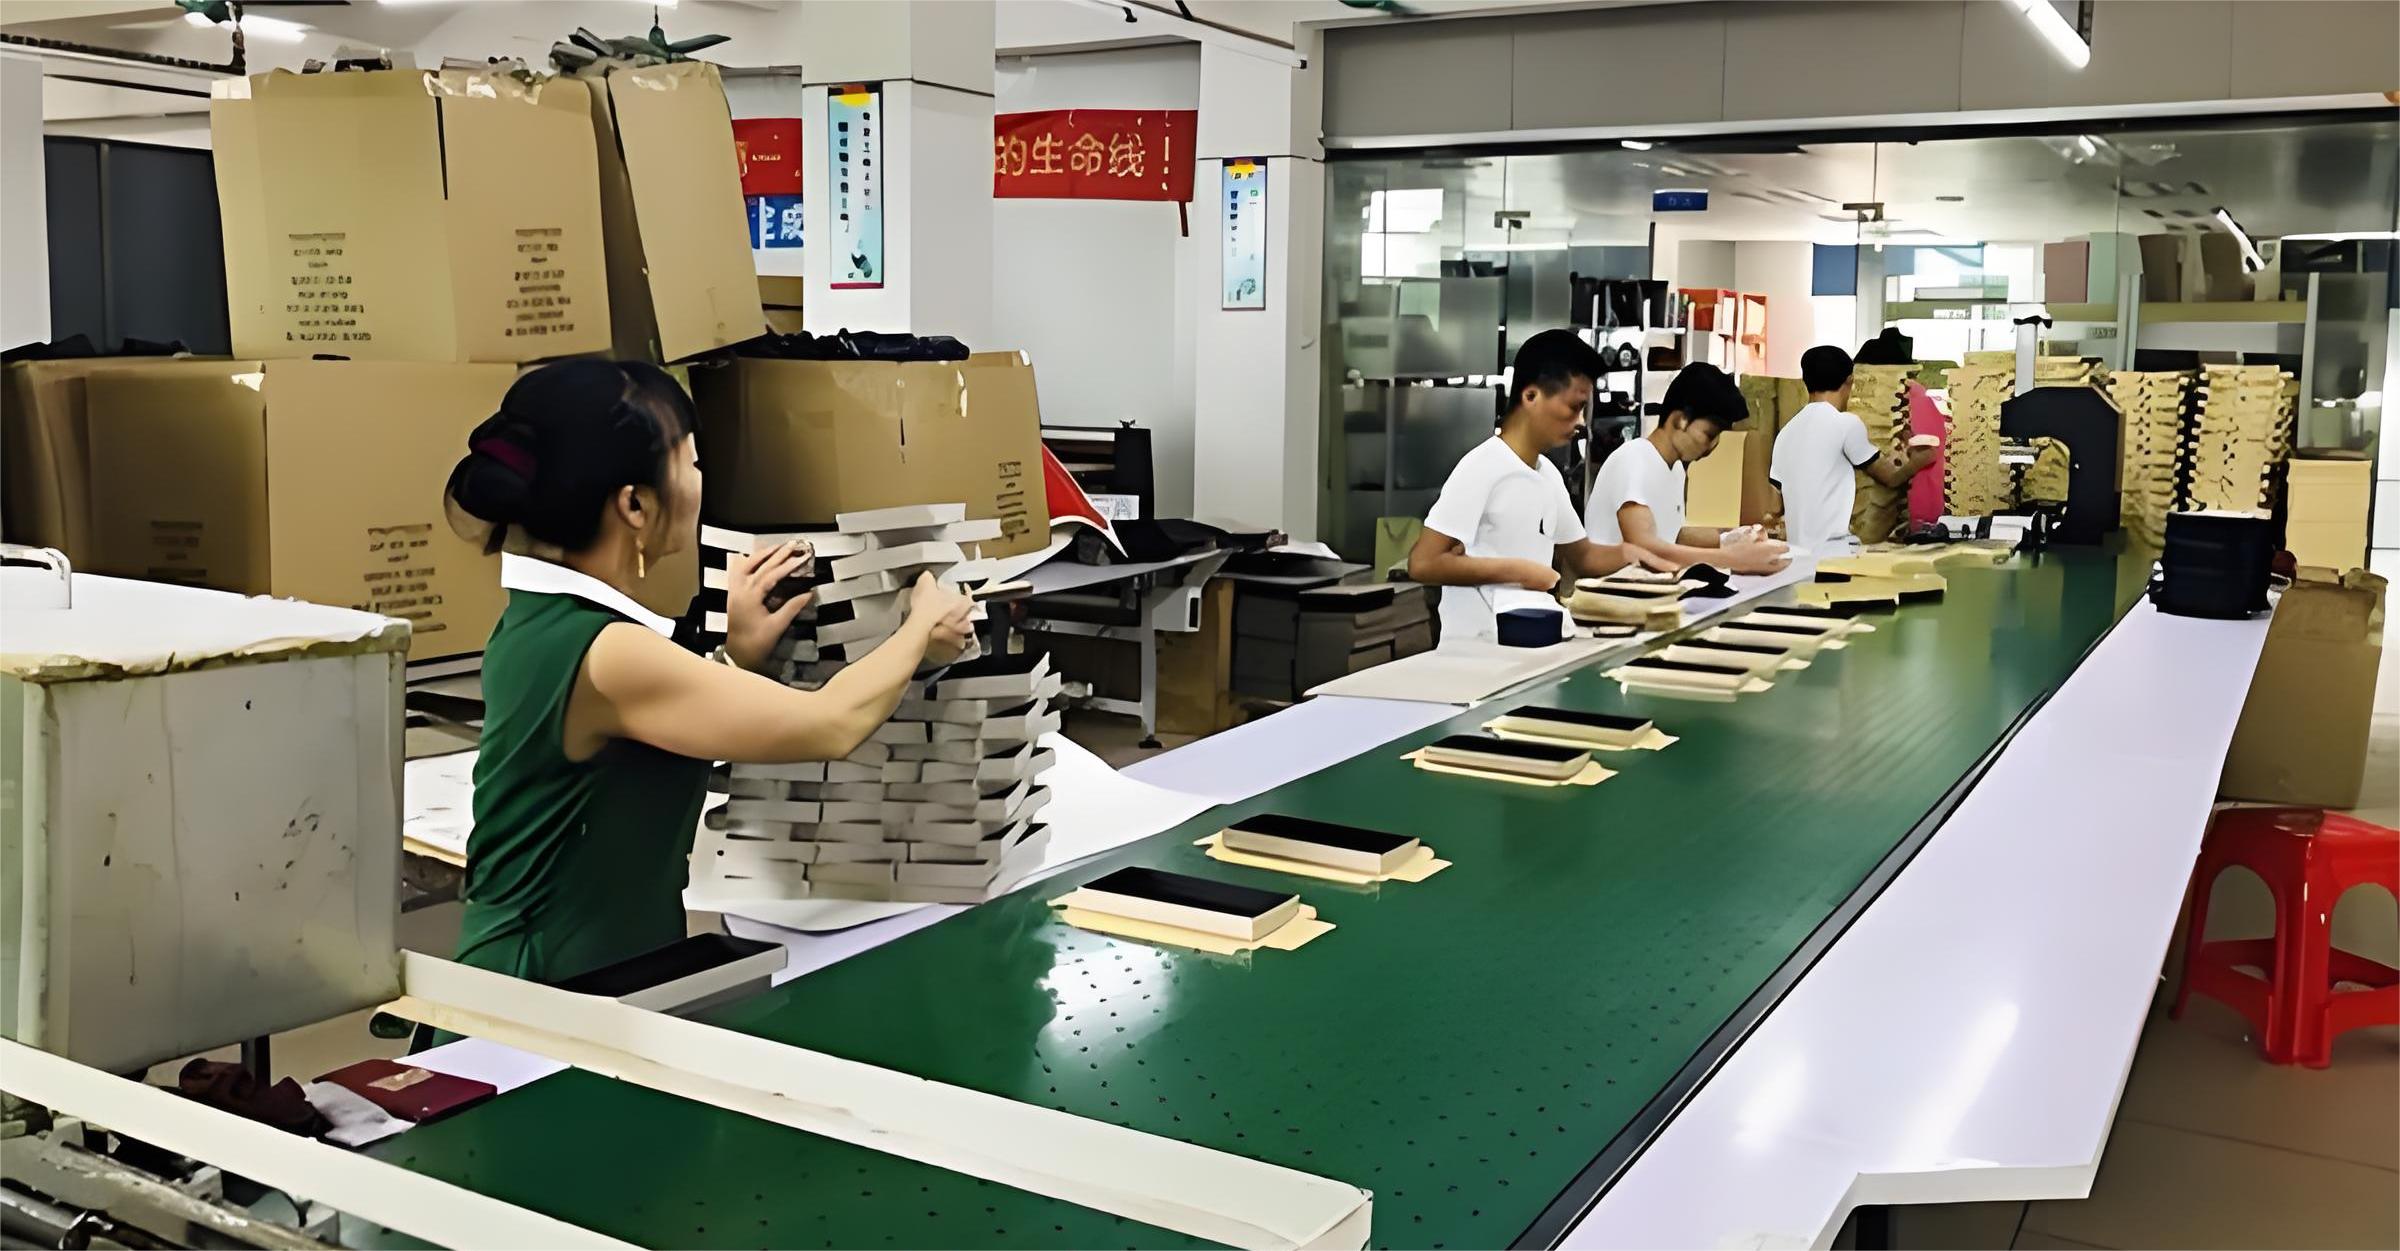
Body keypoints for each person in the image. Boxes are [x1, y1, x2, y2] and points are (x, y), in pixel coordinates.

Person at [439, 359, 974, 987]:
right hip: (545, 992)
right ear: (634, 504)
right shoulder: (608, 650)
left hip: (600, 969)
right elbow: (829, 723)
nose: (700, 479)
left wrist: (735, 656)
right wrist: (919, 627)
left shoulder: (545, 623)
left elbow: (644, 730)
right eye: (690, 463)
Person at [1408, 329, 1672, 641]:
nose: (1580, 423)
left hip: (1529, 641)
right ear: (1530, 396)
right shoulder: (1482, 466)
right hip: (1476, 650)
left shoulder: (1547, 473)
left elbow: (1583, 556)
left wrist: (1637, 554)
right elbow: (1423, 563)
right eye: (1574, 408)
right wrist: (1519, 572)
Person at [1584, 363, 1788, 573]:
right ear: (1680, 420)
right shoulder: (1634, 460)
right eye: (1708, 435)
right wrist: (1732, 558)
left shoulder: (1675, 470)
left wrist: (1734, 537)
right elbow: (1644, 548)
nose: (1712, 446)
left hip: (1649, 592)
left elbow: (1673, 537)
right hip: (1610, 594)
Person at [1770, 345, 1933, 556]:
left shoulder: (1786, 433)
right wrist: (1921, 460)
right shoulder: (1845, 424)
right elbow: (1890, 478)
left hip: (1798, 554)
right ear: (1850, 381)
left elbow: (1775, 505)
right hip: (1834, 553)